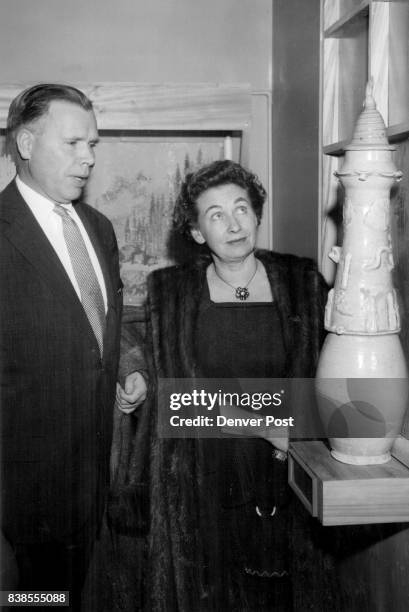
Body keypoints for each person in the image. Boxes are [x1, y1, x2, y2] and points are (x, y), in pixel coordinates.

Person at [117, 160, 327, 611]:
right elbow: (171, 389)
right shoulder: (170, 293)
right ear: (196, 233)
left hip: (288, 473)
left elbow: (338, 386)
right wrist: (138, 376)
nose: (233, 225)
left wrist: (288, 431)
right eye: (215, 215)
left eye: (241, 209)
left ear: (256, 215)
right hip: (202, 475)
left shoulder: (304, 284)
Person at [0, 84, 146, 609]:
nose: (88, 159)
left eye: (93, 145)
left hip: (95, 484)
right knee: (33, 603)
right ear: (25, 142)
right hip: (23, 497)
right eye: (74, 143)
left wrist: (124, 371)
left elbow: (102, 330)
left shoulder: (99, 229)